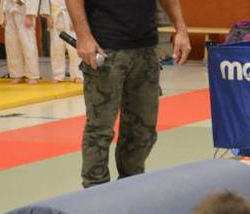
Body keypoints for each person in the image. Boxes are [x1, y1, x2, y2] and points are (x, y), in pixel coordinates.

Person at [65, 0, 191, 188]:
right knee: (100, 129)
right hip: (105, 46)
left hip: (145, 47)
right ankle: (95, 192)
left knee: (143, 129)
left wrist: (181, 29)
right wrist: (83, 36)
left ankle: (130, 186)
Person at [0, 0, 43, 84]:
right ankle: (17, 74)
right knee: (12, 45)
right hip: (9, 11)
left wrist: (30, 14)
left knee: (28, 44)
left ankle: (33, 75)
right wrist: (3, 14)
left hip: (24, 10)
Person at [42, 0, 82, 83]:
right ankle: (58, 75)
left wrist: (75, 17)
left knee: (74, 49)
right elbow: (45, 2)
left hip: (70, 16)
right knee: (56, 48)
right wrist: (48, 16)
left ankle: (78, 74)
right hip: (55, 16)